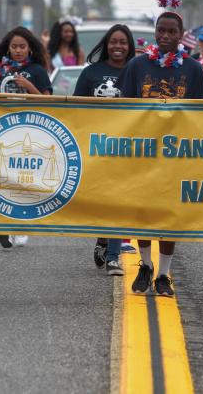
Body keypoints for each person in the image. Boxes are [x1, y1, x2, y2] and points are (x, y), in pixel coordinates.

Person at [117, 9, 203, 297]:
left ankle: (164, 274)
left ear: (182, 36)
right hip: (143, 150)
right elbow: (125, 108)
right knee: (144, 210)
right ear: (155, 32)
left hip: (177, 153)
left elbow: (202, 113)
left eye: (172, 32)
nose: (166, 36)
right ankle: (145, 265)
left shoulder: (193, 70)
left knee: (169, 214)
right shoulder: (136, 65)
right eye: (161, 30)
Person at [73, 24, 136, 276]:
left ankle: (113, 256)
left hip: (126, 146)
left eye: (122, 42)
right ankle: (102, 239)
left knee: (118, 199)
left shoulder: (136, 70)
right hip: (96, 145)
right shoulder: (91, 72)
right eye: (113, 42)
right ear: (105, 44)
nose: (118, 46)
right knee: (104, 199)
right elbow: (76, 108)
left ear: (129, 45)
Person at [0, 26, 52, 249]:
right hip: (3, 132)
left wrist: (29, 86)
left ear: (30, 48)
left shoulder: (38, 71)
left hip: (31, 131)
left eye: (22, 46)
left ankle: (22, 228)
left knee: (25, 181)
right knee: (4, 180)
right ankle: (4, 226)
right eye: (14, 46)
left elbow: (48, 100)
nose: (18, 50)